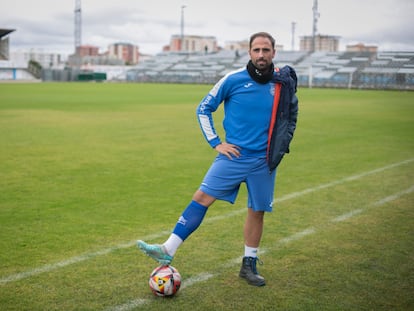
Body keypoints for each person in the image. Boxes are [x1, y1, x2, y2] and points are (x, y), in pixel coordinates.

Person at [137, 32, 298, 287]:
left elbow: (290, 116)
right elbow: (203, 108)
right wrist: (216, 143)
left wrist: (281, 147)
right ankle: (168, 248)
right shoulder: (233, 79)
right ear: (249, 52)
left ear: (274, 53)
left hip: (263, 161)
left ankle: (249, 265)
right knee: (201, 197)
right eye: (256, 50)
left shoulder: (282, 82)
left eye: (266, 50)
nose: (261, 55)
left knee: (257, 212)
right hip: (233, 156)